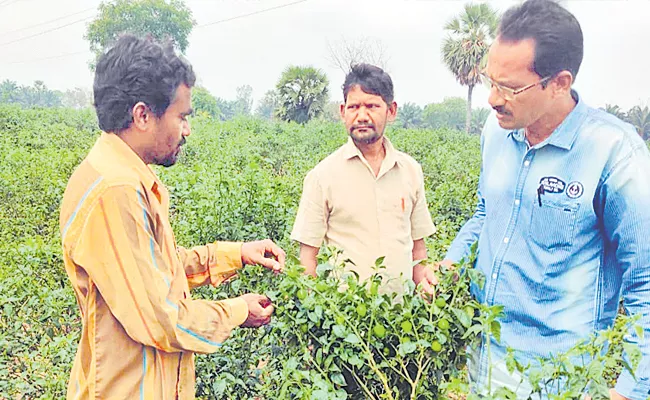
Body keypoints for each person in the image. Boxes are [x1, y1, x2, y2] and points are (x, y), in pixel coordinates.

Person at [440, 0, 650, 398]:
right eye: (490, 81)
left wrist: (631, 390)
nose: (493, 99)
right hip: (481, 365)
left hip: (557, 380)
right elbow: (487, 214)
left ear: (560, 82)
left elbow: (646, 282)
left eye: (510, 88)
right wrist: (452, 261)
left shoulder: (614, 152)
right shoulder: (496, 131)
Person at [59, 35, 286, 400]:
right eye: (181, 116)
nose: (187, 130)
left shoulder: (123, 174)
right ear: (143, 115)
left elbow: (157, 270)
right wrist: (236, 311)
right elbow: (161, 319)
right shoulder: (115, 190)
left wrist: (237, 254)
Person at [290, 63, 437, 294]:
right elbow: (308, 259)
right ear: (342, 111)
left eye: (371, 106)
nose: (361, 116)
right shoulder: (322, 176)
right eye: (354, 107)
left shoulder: (410, 170)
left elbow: (418, 250)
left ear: (391, 111)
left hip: (403, 320)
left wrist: (427, 299)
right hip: (347, 323)